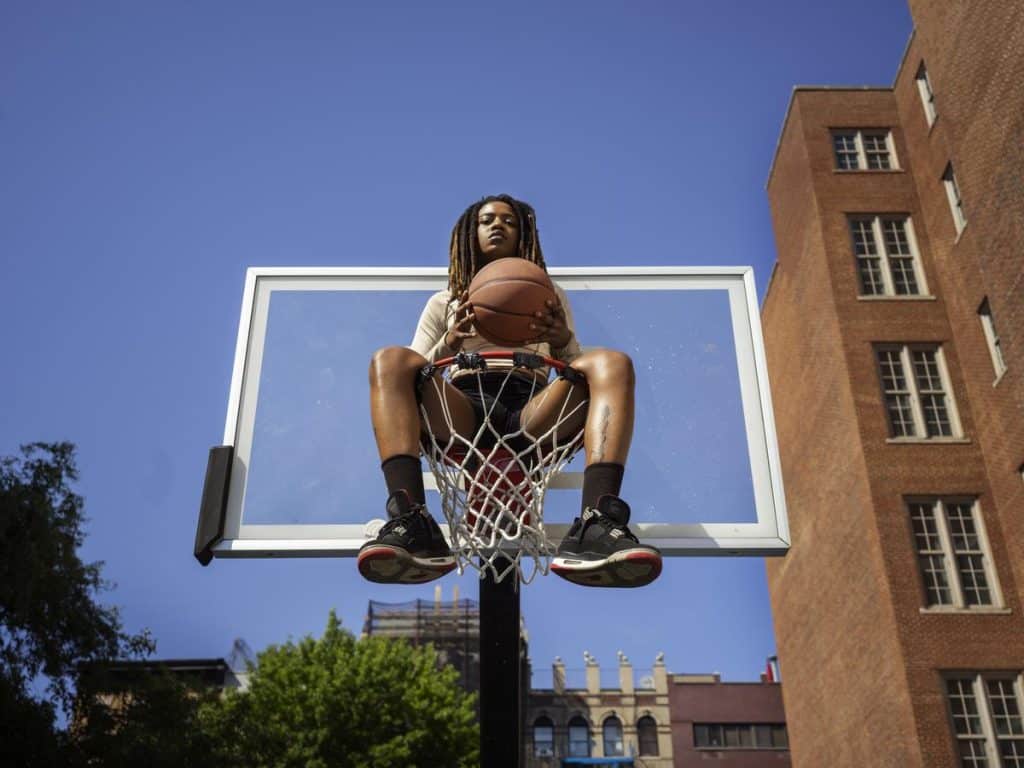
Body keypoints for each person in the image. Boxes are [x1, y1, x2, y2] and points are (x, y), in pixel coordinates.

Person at [358, 194, 662, 588]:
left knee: (612, 363)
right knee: (389, 359)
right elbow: (411, 370)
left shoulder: (546, 296)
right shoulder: (444, 301)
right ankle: (410, 519)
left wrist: (564, 340)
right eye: (487, 220)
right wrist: (449, 344)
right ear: (471, 232)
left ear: (525, 235)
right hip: (461, 411)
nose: (498, 225)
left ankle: (596, 521)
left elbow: (580, 370)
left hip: (532, 412)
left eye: (509, 221)